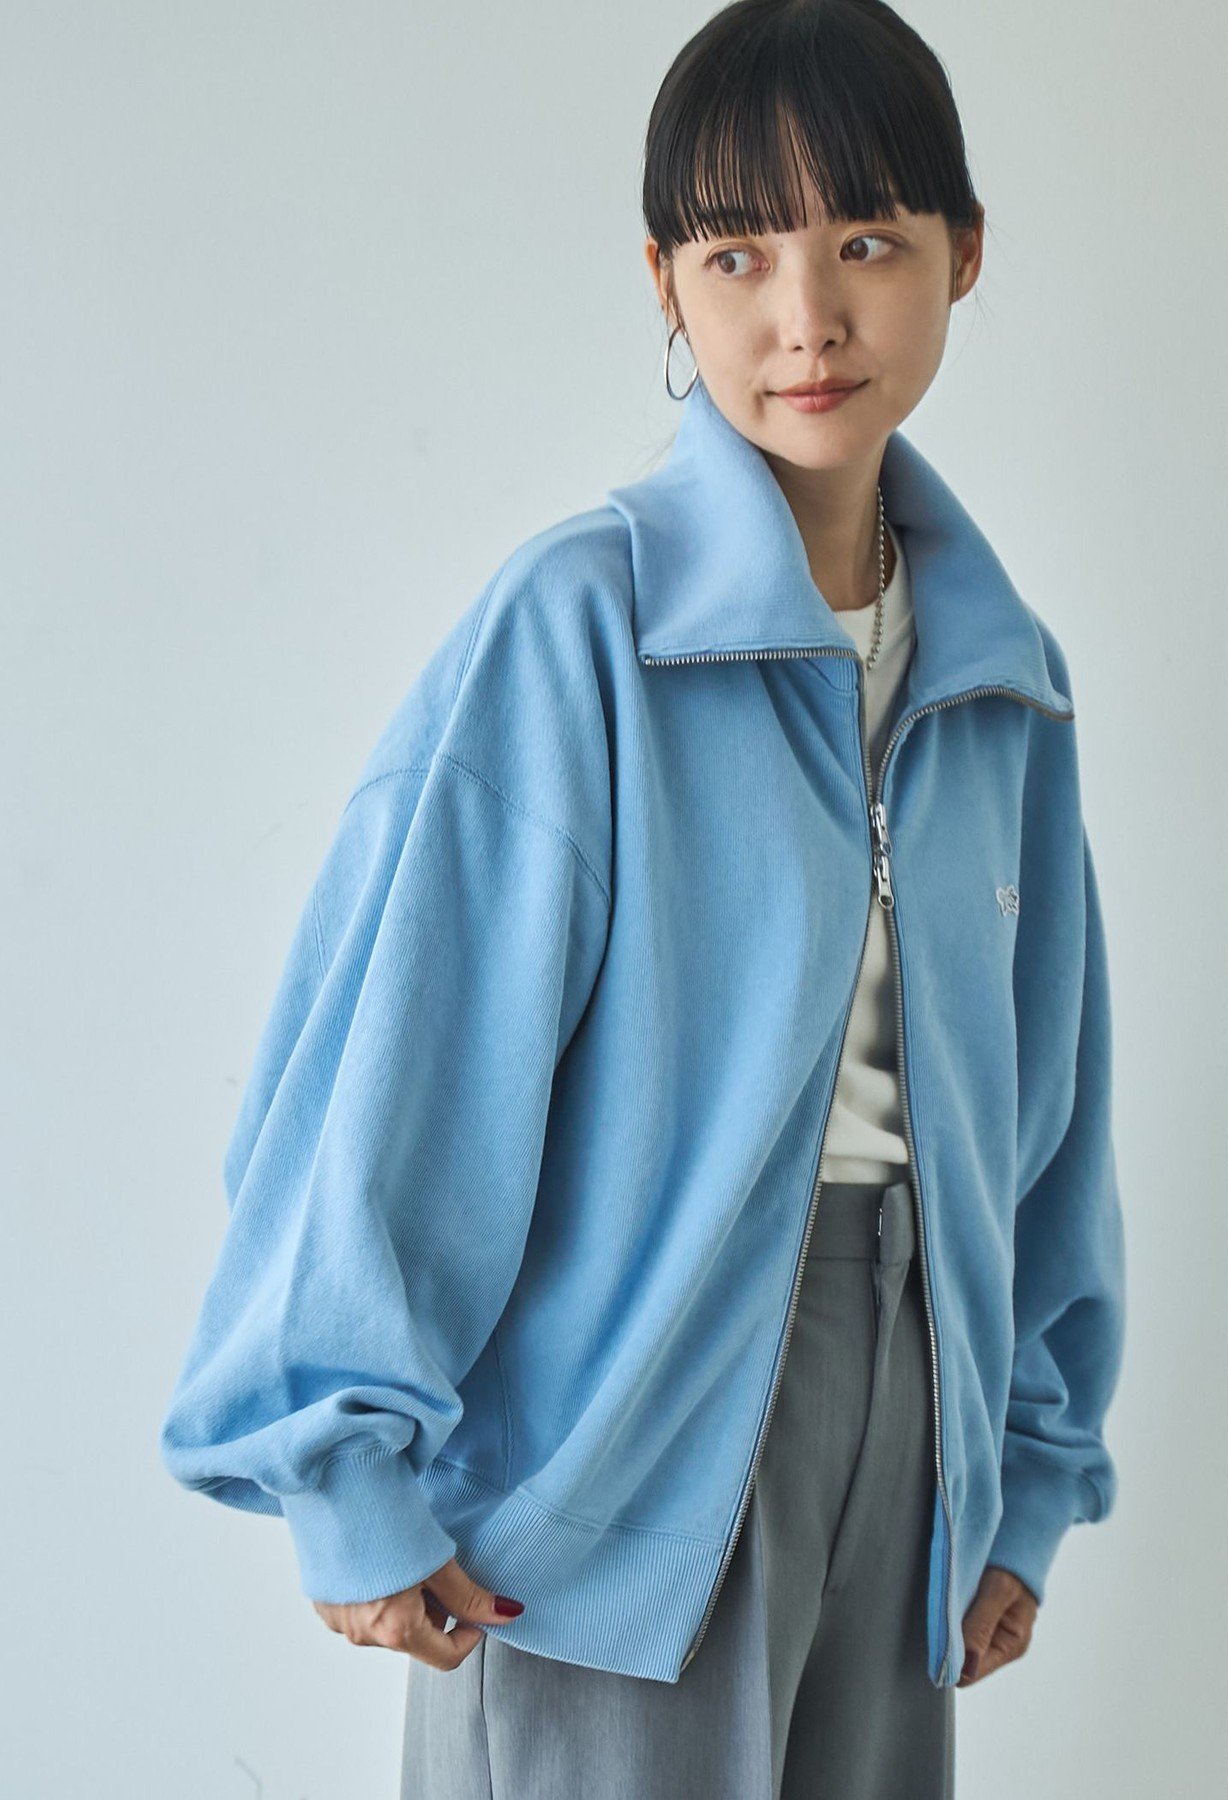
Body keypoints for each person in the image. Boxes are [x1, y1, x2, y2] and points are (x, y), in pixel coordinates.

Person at [158, 2, 1127, 1794]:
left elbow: (1048, 1110)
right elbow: (405, 1053)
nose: (805, 318)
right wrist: (342, 1465)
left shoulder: (1005, 678)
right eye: (737, 253)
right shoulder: (580, 630)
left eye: (868, 243)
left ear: (965, 254)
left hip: (918, 1422)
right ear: (664, 280)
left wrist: (1030, 1475)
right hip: (618, 1438)